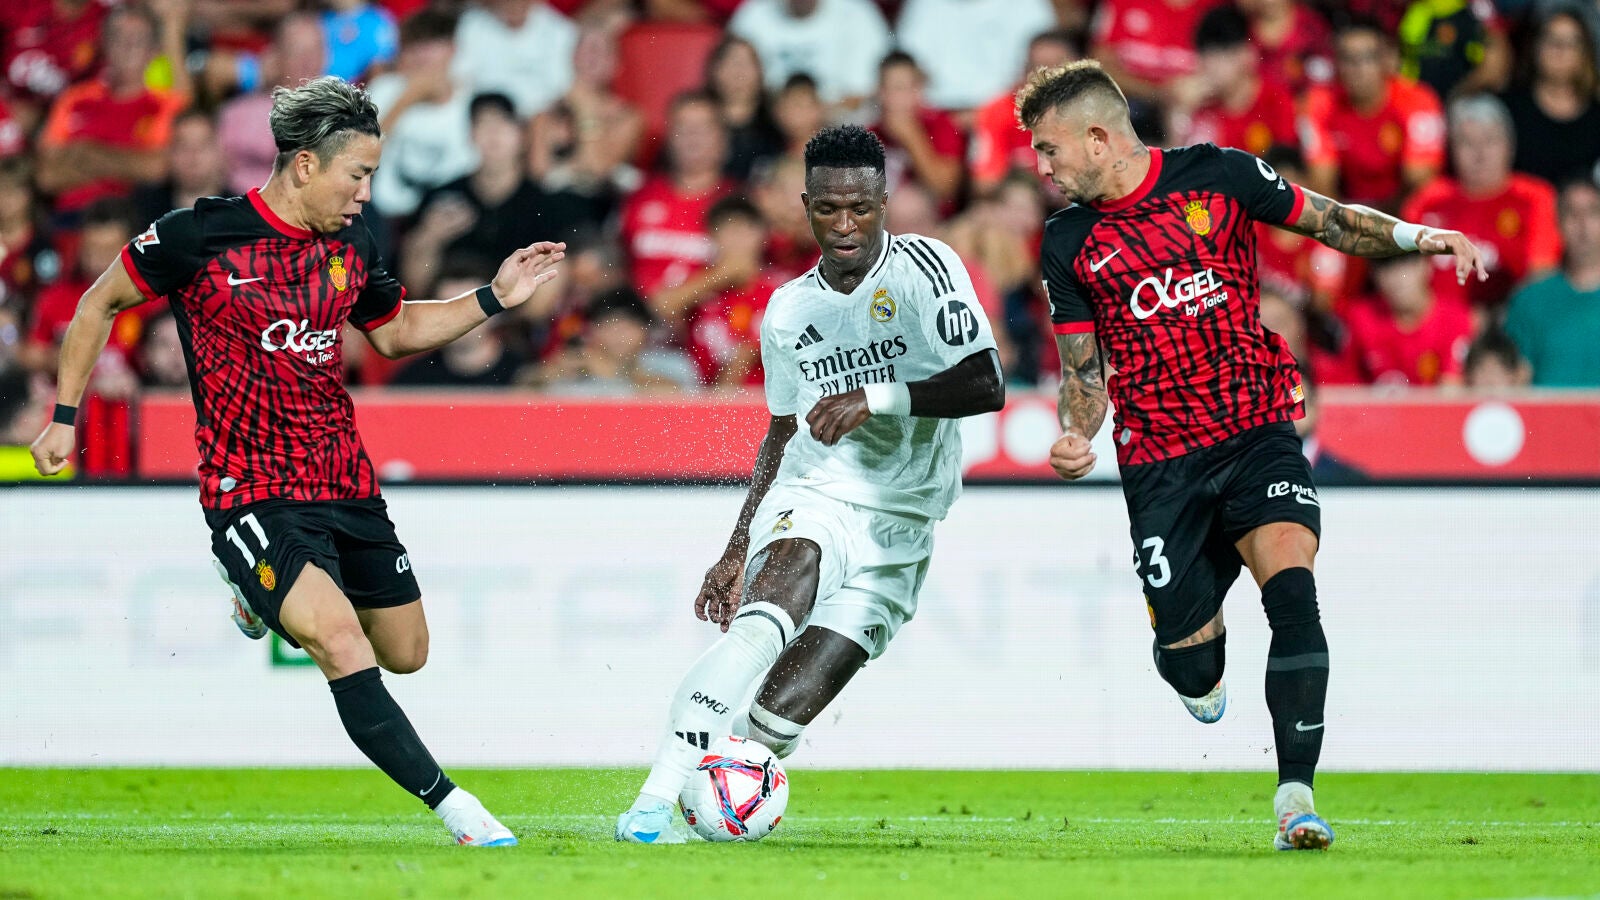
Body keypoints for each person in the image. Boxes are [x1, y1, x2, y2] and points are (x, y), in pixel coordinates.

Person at [28, 76, 565, 847]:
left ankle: (256, 597)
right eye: (359, 174)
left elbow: (394, 332)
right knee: (341, 642)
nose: (366, 193)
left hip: (343, 478)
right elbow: (97, 303)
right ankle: (459, 810)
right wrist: (64, 416)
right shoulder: (199, 235)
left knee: (406, 653)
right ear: (306, 165)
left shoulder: (352, 243)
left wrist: (493, 298)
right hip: (249, 488)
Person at [1018, 60, 1484, 850]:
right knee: (1193, 671)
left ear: (1097, 139)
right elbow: (1083, 376)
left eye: (1049, 149)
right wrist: (1076, 431)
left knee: (1294, 592)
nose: (1042, 166)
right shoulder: (1068, 241)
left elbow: (1330, 221)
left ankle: (1295, 800)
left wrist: (1416, 236)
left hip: (1256, 425)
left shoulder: (1220, 176)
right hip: (1161, 463)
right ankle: (1189, 622)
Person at [614, 125, 1004, 843]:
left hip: (903, 526)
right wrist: (738, 547)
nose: (845, 224)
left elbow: (986, 382)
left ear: (884, 202)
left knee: (770, 727)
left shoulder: (926, 269)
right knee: (763, 622)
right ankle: (651, 803)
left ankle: (721, 779)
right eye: (828, 209)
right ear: (806, 207)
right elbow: (781, 433)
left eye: (860, 208)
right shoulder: (790, 309)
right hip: (816, 492)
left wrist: (875, 397)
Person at [1401, 94, 1560, 312]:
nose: (1480, 153)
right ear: (1451, 150)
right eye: (1467, 142)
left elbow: (1541, 277)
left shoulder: (1536, 199)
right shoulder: (1427, 200)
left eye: (1490, 141)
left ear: (1510, 146)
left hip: (1506, 321)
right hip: (1434, 324)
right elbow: (1400, 272)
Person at [1301, 18, 1445, 210]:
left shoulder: (1418, 101)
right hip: (1345, 211)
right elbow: (1321, 184)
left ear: (1385, 61)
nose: (1357, 69)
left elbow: (1419, 182)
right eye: (1347, 58)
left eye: (1367, 57)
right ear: (1336, 64)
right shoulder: (1321, 103)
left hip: (1404, 213)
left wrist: (1376, 223)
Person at [1503, 175, 1600, 387]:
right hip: (1548, 409)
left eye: (1593, 212)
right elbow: (1514, 379)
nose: (1583, 225)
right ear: (1557, 223)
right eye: (1572, 214)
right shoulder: (1530, 301)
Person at [1499, 6, 1600, 189]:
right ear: (1535, 47)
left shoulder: (1596, 116)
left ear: (1585, 53)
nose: (1560, 51)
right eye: (1552, 40)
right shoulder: (1507, 110)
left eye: (1571, 43)